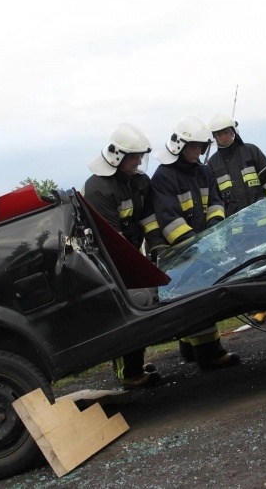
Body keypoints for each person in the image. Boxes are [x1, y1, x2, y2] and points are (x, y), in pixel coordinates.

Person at [151, 115, 240, 370]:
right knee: (196, 297)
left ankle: (191, 350)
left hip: (202, 243)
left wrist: (214, 228)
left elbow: (215, 201)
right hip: (180, 249)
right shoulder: (163, 177)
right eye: (193, 146)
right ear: (179, 145)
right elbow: (169, 220)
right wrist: (196, 245)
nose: (198, 151)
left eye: (201, 146)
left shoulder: (203, 171)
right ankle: (210, 355)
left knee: (193, 298)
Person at [83, 123, 166, 388]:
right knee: (126, 310)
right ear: (116, 156)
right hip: (111, 260)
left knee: (140, 305)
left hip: (133, 252)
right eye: (134, 156)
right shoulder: (98, 187)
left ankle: (136, 366)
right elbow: (112, 239)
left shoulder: (139, 181)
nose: (139, 160)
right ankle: (128, 373)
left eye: (141, 155)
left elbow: (149, 219)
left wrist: (157, 247)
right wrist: (136, 264)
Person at [207, 112, 266, 325]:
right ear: (214, 137)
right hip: (236, 229)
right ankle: (258, 307)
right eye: (219, 134)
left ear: (234, 131)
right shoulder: (212, 164)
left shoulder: (251, 151)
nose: (224, 137)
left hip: (263, 222)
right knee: (247, 268)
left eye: (227, 132)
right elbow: (214, 198)